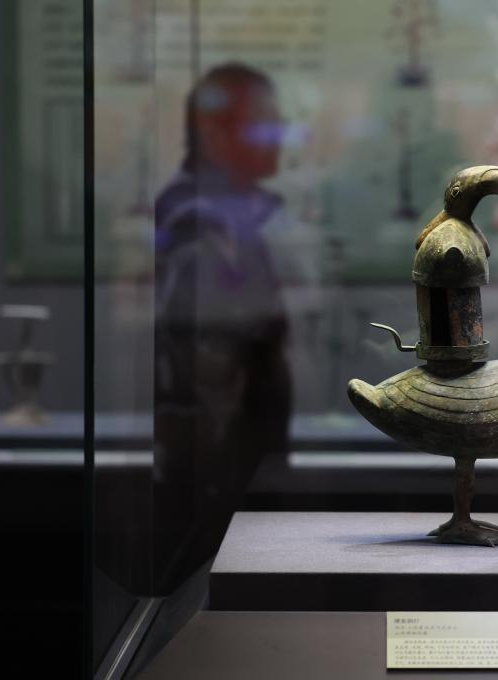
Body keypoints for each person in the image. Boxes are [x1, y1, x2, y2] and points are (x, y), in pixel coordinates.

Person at [153, 63, 292, 591]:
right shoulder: (202, 224)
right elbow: (208, 365)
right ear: (213, 134)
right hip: (217, 474)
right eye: (264, 124)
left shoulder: (228, 219)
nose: (278, 136)